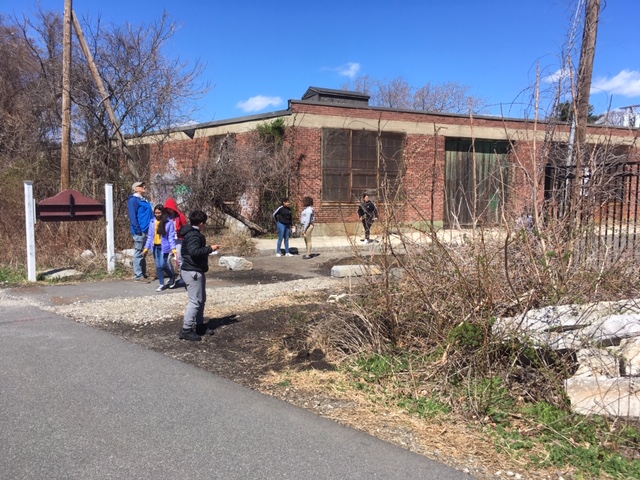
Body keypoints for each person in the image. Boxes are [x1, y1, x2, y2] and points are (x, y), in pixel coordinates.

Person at [178, 210, 221, 341]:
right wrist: (210, 249)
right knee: (195, 301)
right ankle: (186, 329)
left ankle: (200, 325)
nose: (205, 225)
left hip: (193, 269)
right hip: (193, 271)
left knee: (201, 299)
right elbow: (194, 251)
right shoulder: (194, 236)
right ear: (201, 223)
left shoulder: (190, 233)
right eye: (205, 223)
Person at [143, 205, 177, 292]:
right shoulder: (152, 222)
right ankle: (161, 284)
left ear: (163, 213)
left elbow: (171, 236)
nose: (157, 214)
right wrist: (146, 248)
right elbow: (150, 236)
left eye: (159, 213)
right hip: (155, 246)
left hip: (164, 246)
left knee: (162, 265)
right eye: (155, 213)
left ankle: (172, 275)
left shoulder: (168, 222)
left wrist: (173, 248)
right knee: (158, 266)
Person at [127, 181, 154, 282]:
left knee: (143, 252)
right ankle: (138, 276)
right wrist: (138, 230)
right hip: (140, 231)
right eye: (141, 186)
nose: (144, 187)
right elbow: (133, 216)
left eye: (144, 185)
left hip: (147, 230)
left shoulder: (144, 200)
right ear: (136, 189)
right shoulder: (133, 200)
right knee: (139, 252)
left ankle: (143, 274)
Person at [164, 197, 188, 289]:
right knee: (167, 259)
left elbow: (185, 227)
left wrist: (182, 234)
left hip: (179, 240)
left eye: (171, 208)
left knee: (180, 259)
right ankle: (172, 275)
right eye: (168, 208)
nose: (169, 210)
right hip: (169, 240)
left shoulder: (180, 216)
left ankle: (183, 278)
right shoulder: (166, 217)